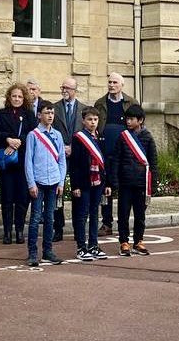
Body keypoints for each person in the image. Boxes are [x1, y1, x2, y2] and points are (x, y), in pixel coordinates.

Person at [108, 105, 157, 257]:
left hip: (141, 182)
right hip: (125, 182)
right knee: (123, 213)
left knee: (140, 215)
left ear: (140, 120)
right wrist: (114, 180)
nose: (128, 122)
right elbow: (116, 160)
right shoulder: (123, 137)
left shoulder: (148, 137)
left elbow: (153, 162)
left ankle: (138, 241)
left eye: (131, 119)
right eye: (127, 119)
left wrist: (153, 184)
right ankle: (124, 241)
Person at [0, 83, 36, 244]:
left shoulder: (29, 115)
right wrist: (8, 140)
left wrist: (19, 141)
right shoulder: (0, 114)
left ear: (24, 98)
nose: (17, 99)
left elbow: (33, 133)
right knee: (7, 198)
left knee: (22, 198)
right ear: (9, 98)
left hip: (23, 161)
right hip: (6, 161)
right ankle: (7, 232)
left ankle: (19, 230)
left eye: (19, 96)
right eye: (14, 96)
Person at [94, 72, 138, 235]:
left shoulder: (131, 103)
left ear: (122, 85)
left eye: (115, 82)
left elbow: (138, 125)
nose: (111, 85)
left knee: (124, 188)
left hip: (124, 153)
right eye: (110, 82)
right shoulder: (100, 103)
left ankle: (123, 222)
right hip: (105, 152)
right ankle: (106, 223)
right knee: (106, 188)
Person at [24, 101, 66, 267]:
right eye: (46, 113)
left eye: (52, 113)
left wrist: (61, 182)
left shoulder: (57, 135)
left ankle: (48, 251)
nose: (50, 116)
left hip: (54, 181)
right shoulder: (33, 135)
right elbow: (28, 161)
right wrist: (31, 183)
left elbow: (62, 159)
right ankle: (33, 253)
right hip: (38, 182)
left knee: (50, 218)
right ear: (39, 115)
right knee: (35, 218)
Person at [70, 107, 110, 261]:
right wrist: (75, 186)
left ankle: (93, 245)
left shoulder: (101, 137)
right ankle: (81, 247)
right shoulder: (79, 138)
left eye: (95, 120)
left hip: (98, 181)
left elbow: (105, 162)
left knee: (95, 214)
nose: (93, 123)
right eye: (89, 119)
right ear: (83, 121)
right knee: (82, 215)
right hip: (84, 182)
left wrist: (107, 183)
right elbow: (75, 164)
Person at [50, 76, 86, 242]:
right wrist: (62, 147)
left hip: (78, 157)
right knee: (59, 191)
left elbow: (86, 133)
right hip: (59, 156)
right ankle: (58, 228)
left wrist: (73, 147)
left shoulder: (84, 110)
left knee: (78, 191)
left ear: (74, 90)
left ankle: (79, 227)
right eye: (62, 87)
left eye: (68, 88)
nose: (64, 90)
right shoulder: (54, 108)